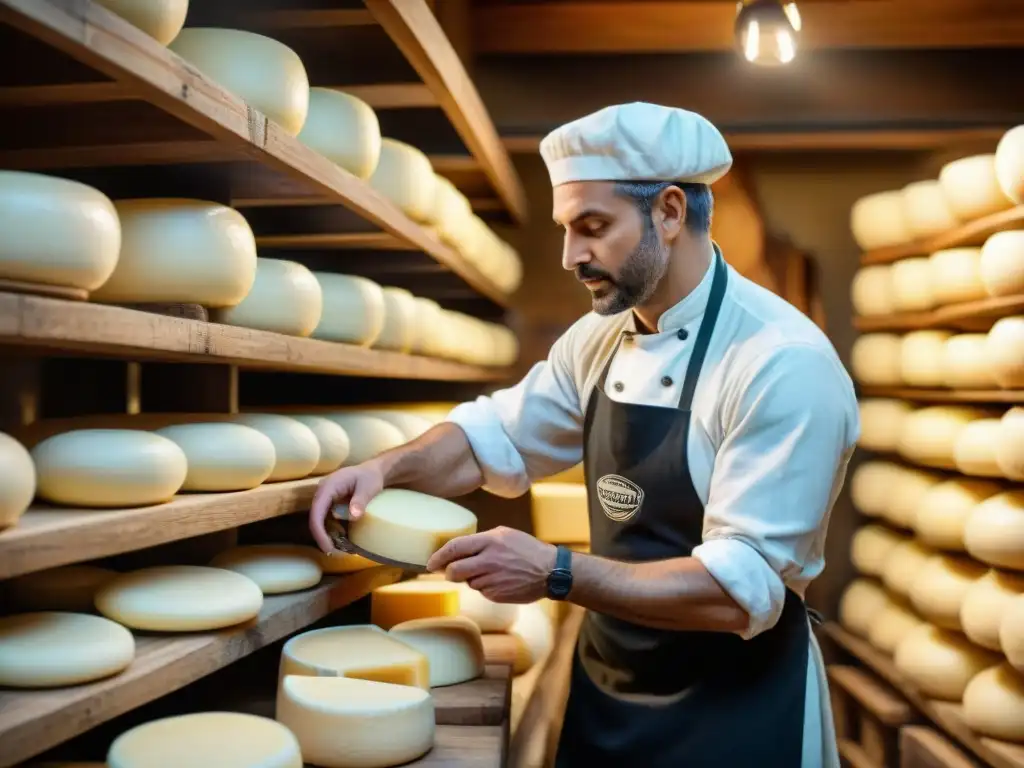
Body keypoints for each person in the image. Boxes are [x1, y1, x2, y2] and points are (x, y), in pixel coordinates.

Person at [309, 101, 857, 767]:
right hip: (613, 697)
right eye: (566, 229)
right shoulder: (599, 340)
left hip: (735, 712)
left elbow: (732, 593)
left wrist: (557, 571)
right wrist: (386, 472)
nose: (571, 256)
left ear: (671, 212)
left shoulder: (780, 363)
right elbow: (494, 436)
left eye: (592, 228)